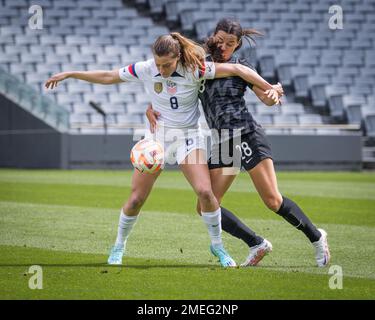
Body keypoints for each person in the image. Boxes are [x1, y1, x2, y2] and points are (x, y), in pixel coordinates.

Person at [45, 32, 282, 268]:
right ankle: (119, 245)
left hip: (188, 138)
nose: (162, 69)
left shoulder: (196, 70)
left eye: (166, 64)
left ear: (178, 57)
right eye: (158, 64)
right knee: (137, 199)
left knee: (205, 193)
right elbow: (109, 76)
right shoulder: (146, 68)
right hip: (157, 140)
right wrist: (71, 74)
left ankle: (217, 246)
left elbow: (238, 70)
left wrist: (270, 87)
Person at [146, 19, 330, 268]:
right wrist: (151, 108)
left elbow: (265, 97)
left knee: (272, 201)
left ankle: (317, 238)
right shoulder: (197, 63)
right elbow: (168, 86)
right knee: (205, 205)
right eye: (220, 40)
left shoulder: (241, 66)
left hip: (247, 134)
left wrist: (272, 95)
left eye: (230, 43)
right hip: (222, 140)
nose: (224, 46)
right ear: (213, 37)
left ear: (238, 45)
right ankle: (256, 243)